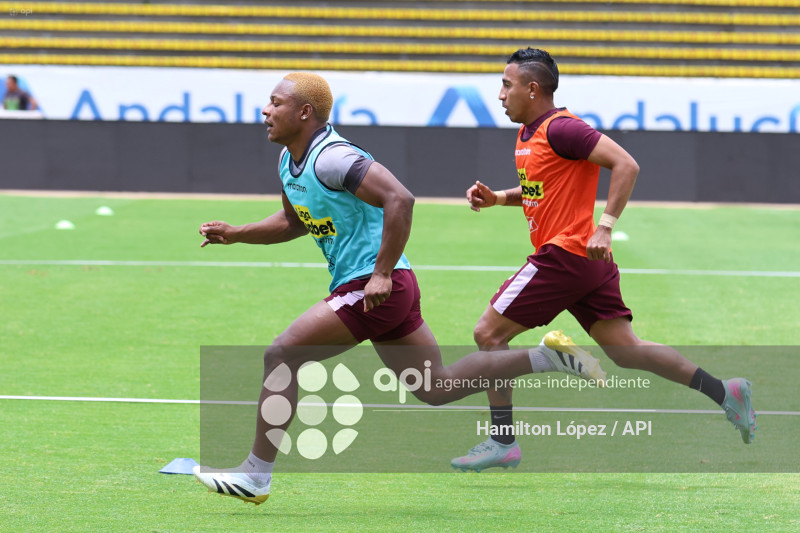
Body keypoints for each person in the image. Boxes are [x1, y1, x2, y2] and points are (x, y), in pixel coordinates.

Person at [192, 72, 608, 505]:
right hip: (386, 291)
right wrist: (238, 232)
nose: (265, 111)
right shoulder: (289, 162)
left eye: (274, 103)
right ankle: (548, 357)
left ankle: (256, 475)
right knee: (435, 388)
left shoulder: (334, 158)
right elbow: (293, 221)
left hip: (375, 287)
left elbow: (400, 199)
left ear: (304, 112)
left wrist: (381, 273)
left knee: (282, 354)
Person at [452, 48, 757, 472]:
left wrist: (606, 224)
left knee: (488, 334)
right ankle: (726, 392)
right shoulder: (530, 134)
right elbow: (541, 190)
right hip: (586, 263)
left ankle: (503, 441)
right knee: (626, 351)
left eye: (506, 85)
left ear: (532, 88)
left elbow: (625, 164)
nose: (500, 94)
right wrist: (498, 198)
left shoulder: (563, 128)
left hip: (565, 255)